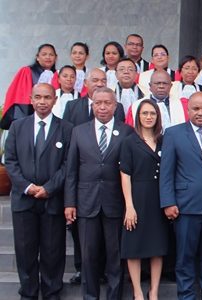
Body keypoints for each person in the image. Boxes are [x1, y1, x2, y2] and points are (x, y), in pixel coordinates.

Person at [64, 87, 134, 300]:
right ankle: (90, 297)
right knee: (88, 257)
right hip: (86, 202)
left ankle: (114, 296)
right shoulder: (79, 131)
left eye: (107, 103)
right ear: (92, 105)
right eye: (98, 103)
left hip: (115, 203)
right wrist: (70, 203)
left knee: (115, 257)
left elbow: (129, 170)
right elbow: (71, 171)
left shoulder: (126, 131)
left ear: (115, 106)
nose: (102, 107)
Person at [4, 83, 72, 300]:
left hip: (52, 199)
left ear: (54, 100)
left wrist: (49, 188)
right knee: (25, 251)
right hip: (24, 200)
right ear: (31, 100)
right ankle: (29, 293)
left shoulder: (66, 128)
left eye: (47, 97)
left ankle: (52, 292)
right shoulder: (17, 126)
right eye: (38, 97)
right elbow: (10, 161)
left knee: (53, 251)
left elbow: (68, 165)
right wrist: (27, 186)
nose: (42, 102)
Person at [160, 92, 202, 299]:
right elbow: (166, 171)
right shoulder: (174, 134)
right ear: (188, 110)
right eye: (196, 109)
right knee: (185, 258)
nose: (200, 113)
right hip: (185, 206)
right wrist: (168, 202)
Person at [120, 99, 169, 300]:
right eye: (144, 113)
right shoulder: (129, 141)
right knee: (134, 246)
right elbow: (125, 174)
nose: (149, 117)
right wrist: (129, 206)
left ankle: (154, 291)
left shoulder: (165, 140)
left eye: (152, 113)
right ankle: (138, 292)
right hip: (138, 197)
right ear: (138, 116)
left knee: (157, 247)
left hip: (159, 197)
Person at [1, 44, 58, 129]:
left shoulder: (58, 75)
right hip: (29, 119)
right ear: (37, 57)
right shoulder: (27, 72)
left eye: (51, 55)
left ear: (55, 58)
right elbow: (21, 98)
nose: (48, 57)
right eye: (44, 54)